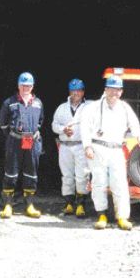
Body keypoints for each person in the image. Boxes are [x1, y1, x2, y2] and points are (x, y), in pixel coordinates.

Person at [80, 75, 140, 230]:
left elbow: (134, 125)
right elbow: (85, 127)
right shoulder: (94, 107)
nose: (114, 93)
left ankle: (122, 217)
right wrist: (87, 147)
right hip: (98, 148)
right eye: (111, 89)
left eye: (117, 90)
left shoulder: (124, 107)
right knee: (99, 182)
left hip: (116, 149)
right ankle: (101, 215)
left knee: (120, 183)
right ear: (106, 89)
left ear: (121, 92)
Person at [0, 72, 44, 219]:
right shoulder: (9, 102)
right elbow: (3, 123)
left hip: (31, 141)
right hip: (15, 141)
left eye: (29, 85)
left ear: (32, 86)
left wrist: (31, 133)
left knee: (31, 172)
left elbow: (40, 122)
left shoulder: (38, 103)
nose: (26, 87)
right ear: (18, 85)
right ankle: (8, 205)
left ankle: (29, 205)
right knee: (11, 172)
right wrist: (14, 137)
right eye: (23, 85)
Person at [52, 78, 91, 217]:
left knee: (82, 175)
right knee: (67, 175)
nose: (76, 93)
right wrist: (63, 129)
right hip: (65, 146)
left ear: (83, 92)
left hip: (81, 145)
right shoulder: (62, 108)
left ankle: (81, 204)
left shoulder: (89, 106)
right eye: (73, 91)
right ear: (69, 91)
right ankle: (68, 203)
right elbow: (54, 125)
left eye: (79, 90)